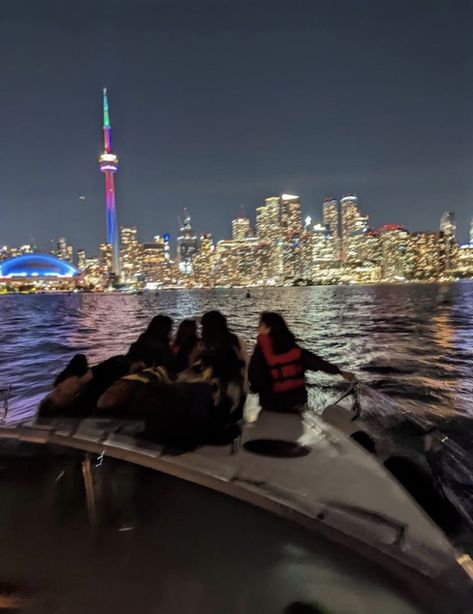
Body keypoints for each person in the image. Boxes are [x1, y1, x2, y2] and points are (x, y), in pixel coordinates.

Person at [249, 312, 355, 414]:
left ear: (269, 329)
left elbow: (255, 379)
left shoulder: (261, 352)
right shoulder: (294, 349)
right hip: (297, 401)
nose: (257, 328)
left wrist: (254, 389)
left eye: (260, 325)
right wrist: (340, 372)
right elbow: (317, 363)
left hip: (273, 404)